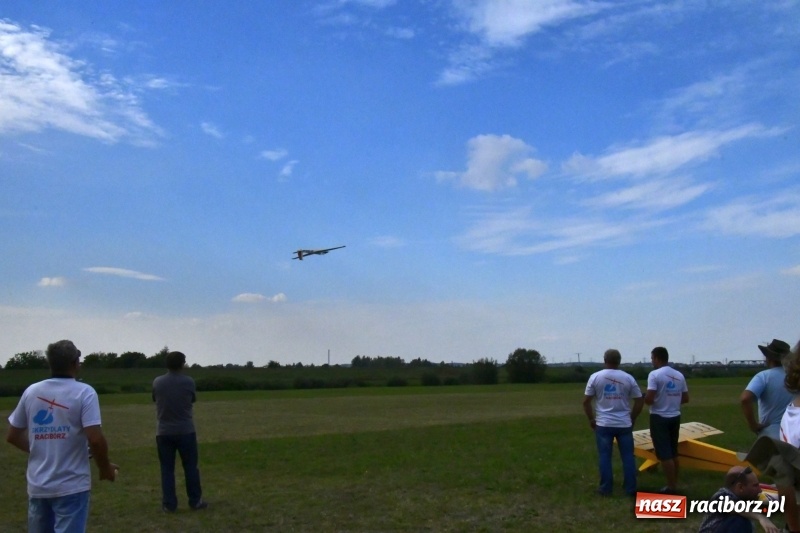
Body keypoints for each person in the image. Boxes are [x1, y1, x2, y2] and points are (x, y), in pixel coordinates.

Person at [5, 340, 118, 532]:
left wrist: (43, 449)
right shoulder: (85, 392)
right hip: (72, 485)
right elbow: (95, 439)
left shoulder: (32, 391)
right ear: (75, 363)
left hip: (38, 485)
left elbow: (13, 436)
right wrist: (105, 468)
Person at [582, 349, 644, 497]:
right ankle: (630, 488)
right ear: (619, 361)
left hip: (603, 424)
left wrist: (591, 419)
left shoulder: (595, 377)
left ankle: (605, 488)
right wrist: (632, 417)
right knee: (628, 456)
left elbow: (586, 402)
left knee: (605, 456)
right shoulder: (628, 378)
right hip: (624, 424)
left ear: (605, 360)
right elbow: (639, 400)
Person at [152, 350, 207, 512]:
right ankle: (195, 501)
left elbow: (155, 398)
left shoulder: (158, 382)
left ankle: (169, 504)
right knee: (190, 467)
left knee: (167, 469)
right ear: (182, 364)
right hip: (185, 430)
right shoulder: (188, 382)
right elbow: (192, 399)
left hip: (164, 431)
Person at [644, 346, 689, 494]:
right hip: (675, 416)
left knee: (664, 454)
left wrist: (644, 397)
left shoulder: (654, 375)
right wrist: (671, 401)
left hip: (659, 417)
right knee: (673, 452)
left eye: (652, 358)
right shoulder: (679, 375)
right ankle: (674, 482)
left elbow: (649, 399)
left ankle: (671, 486)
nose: (652, 361)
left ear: (657, 358)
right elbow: (685, 398)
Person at [698, 465, 779, 533]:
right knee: (740, 521)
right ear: (740, 487)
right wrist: (761, 517)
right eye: (755, 485)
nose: (760, 490)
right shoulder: (720, 496)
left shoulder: (745, 499)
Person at [741, 339, 792, 440]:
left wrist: (753, 425)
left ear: (769, 358)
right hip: (795, 434)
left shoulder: (763, 376)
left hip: (771, 437)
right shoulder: (795, 378)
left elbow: (745, 398)